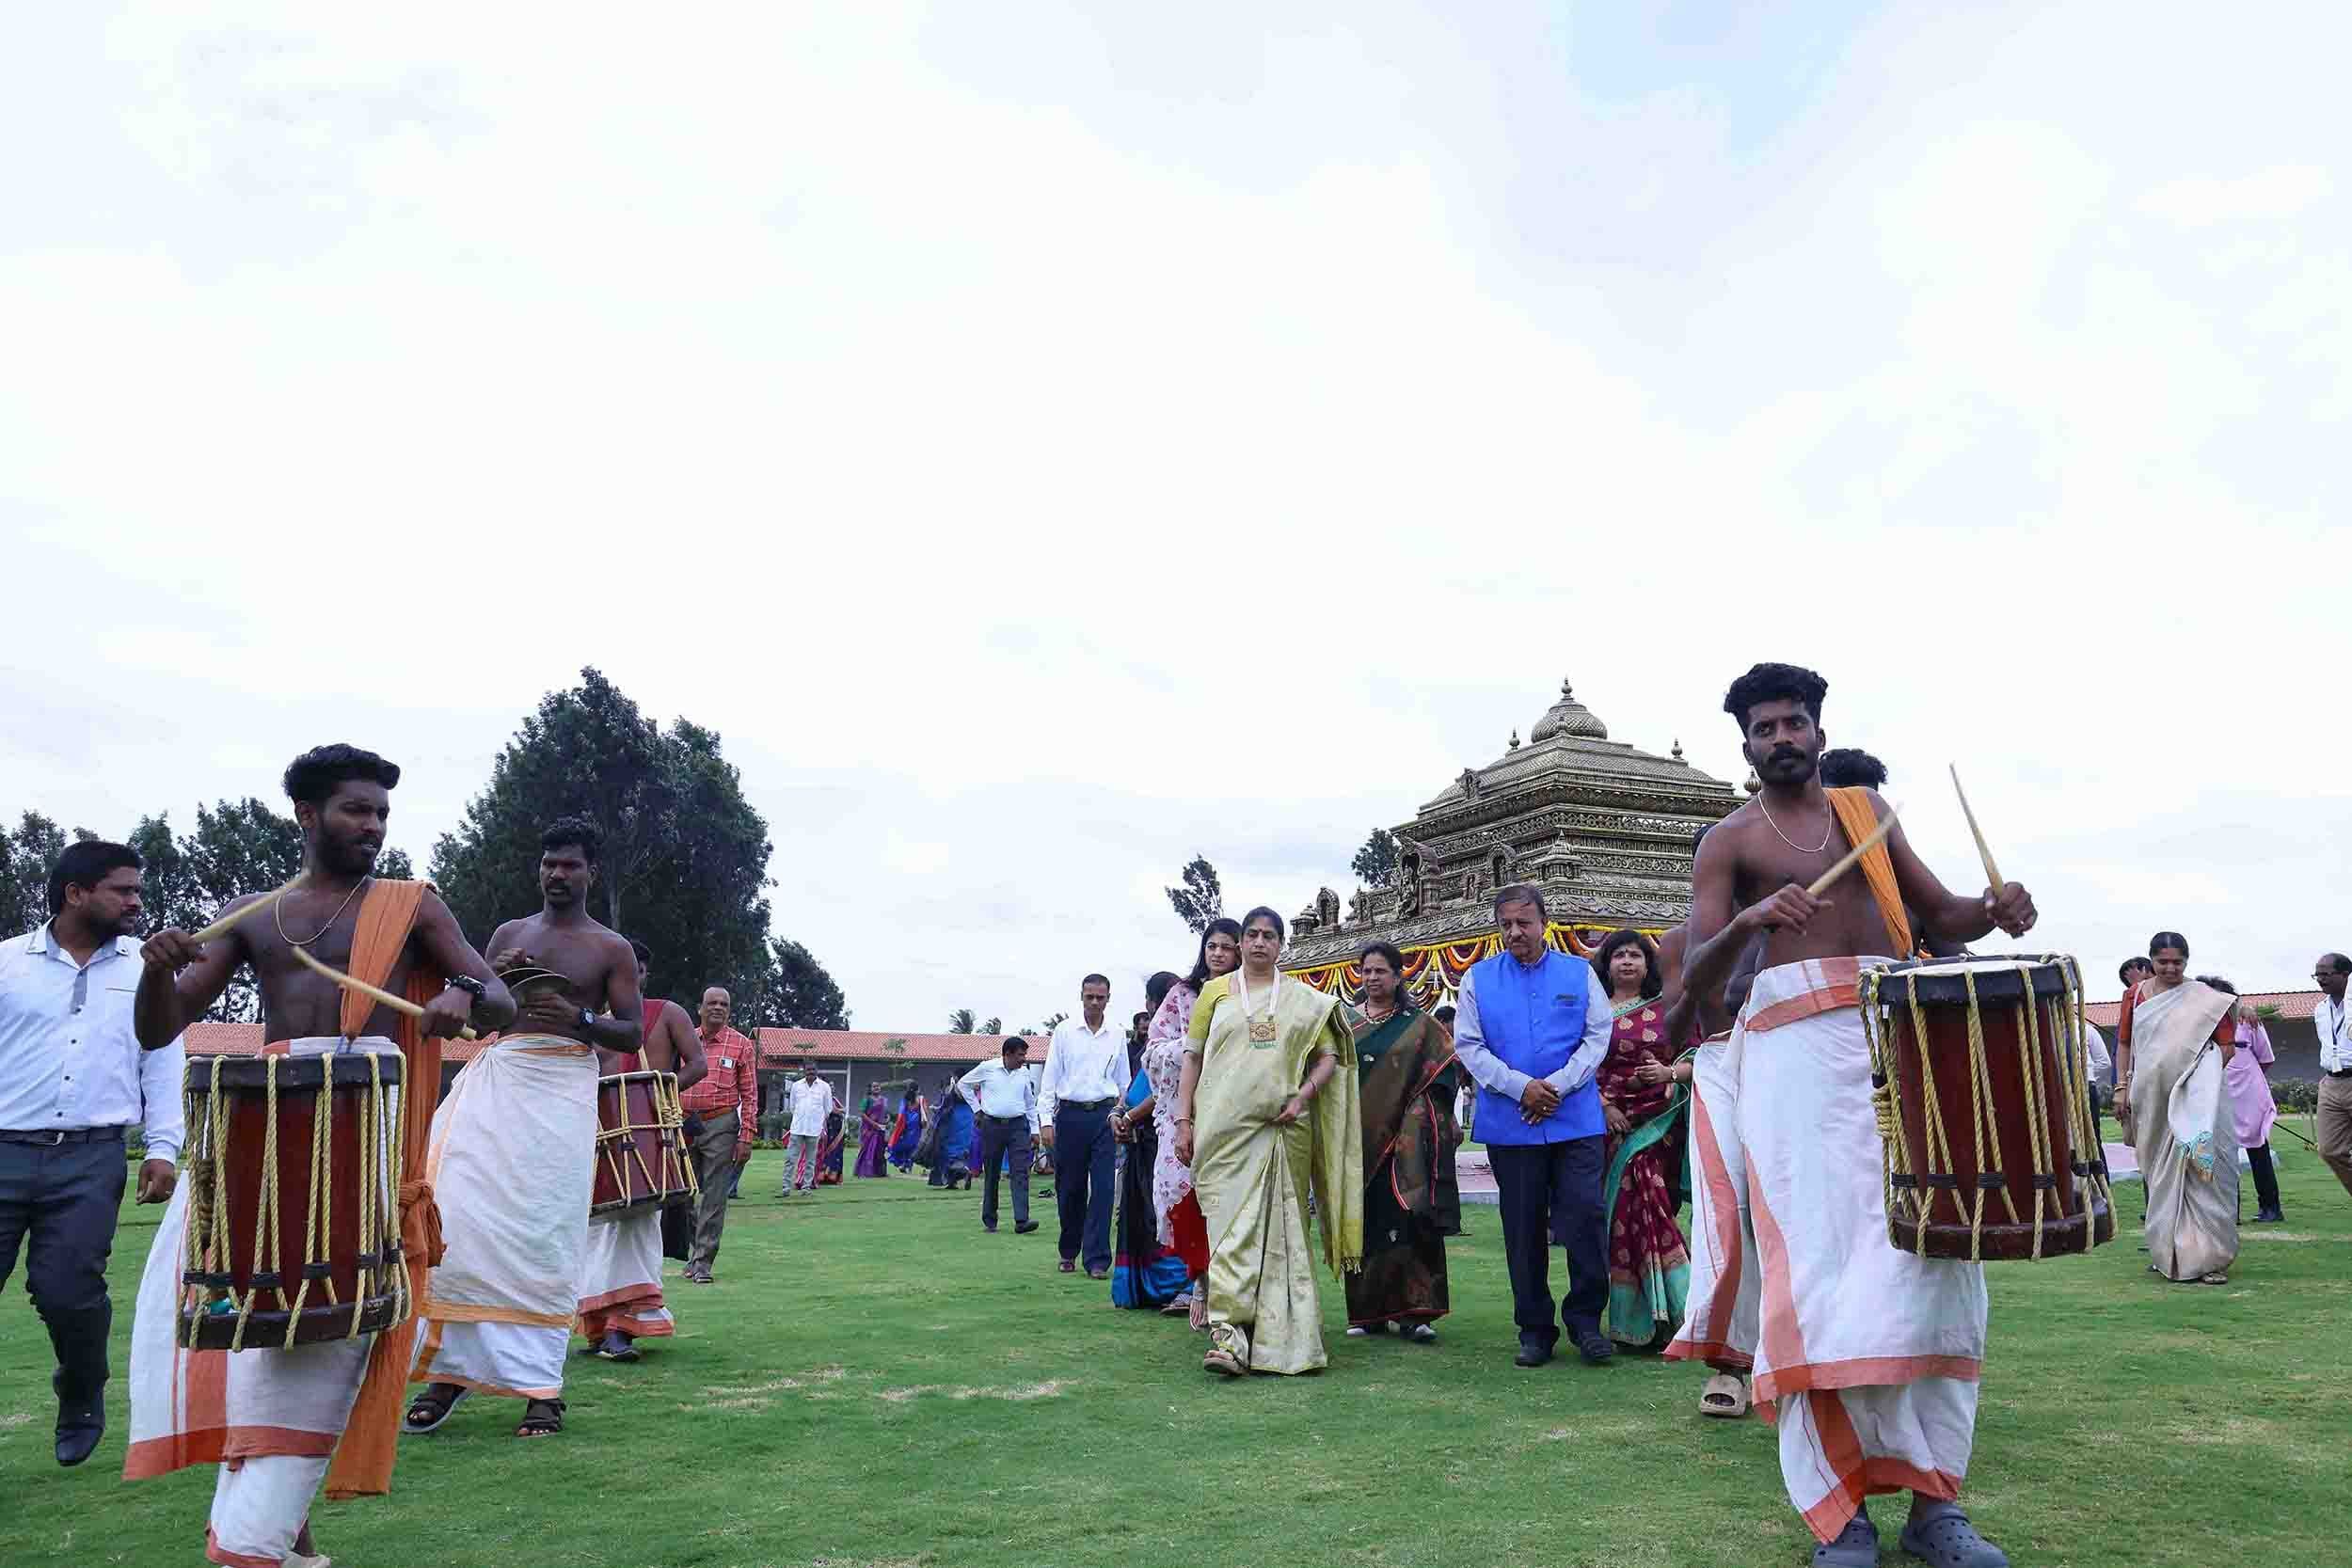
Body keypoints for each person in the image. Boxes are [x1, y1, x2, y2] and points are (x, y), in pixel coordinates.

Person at [1670, 663, 2036, 1568]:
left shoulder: (1867, 814)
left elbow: (1943, 913)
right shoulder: (1727, 842)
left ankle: (1936, 1504)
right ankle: (1841, 1518)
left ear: (1819, 734)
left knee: (1933, 1269)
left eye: (1794, 722)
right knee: (1819, 1287)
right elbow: (1694, 986)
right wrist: (1751, 920)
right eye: (1765, 727)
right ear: (1746, 746)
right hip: (1794, 1073)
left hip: (1897, 1046)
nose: (1782, 737)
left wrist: (1996, 909)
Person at [128, 743, 514, 1566]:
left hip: (365, 1146)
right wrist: (154, 972)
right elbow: (160, 1025)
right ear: (308, 815)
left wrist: (461, 992)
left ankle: (264, 1532)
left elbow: (501, 1000)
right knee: (262, 1326)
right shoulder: (252, 914)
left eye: (381, 812)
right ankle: (283, 1535)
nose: (373, 825)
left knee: (332, 1322)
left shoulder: (413, 906)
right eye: (356, 809)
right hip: (266, 1152)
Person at [405, 816, 641, 1442]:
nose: (557, 873)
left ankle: (541, 1390)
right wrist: (497, 980)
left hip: (563, 1086)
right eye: (549, 863)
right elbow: (481, 1015)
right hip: (501, 1073)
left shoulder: (611, 948)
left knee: (545, 1234)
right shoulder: (510, 933)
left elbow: (631, 1032)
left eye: (570, 864)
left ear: (591, 872)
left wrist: (580, 1017)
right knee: (458, 1216)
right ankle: (449, 1374)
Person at [2, 841, 183, 1468]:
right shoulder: (8, 963)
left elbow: (163, 1059)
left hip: (90, 1157)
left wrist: (163, 1146)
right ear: (76, 893)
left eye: (138, 890)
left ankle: (81, 1391)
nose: (136, 901)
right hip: (4, 1149)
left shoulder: (148, 970)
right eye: (122, 890)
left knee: (67, 1290)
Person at [1172, 906, 1360, 1376]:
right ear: (1241, 943)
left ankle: (1277, 1337)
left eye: (1269, 936)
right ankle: (1229, 1334)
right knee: (1229, 1231)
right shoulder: (1215, 993)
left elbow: (1329, 1057)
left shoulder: (1304, 1000)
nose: (1259, 942)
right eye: (1252, 934)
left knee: (1282, 1230)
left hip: (1283, 1131)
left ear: (1281, 945)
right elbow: (1192, 1059)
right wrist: (1183, 1121)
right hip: (1222, 1131)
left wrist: (1302, 1097)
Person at [1450, 883, 1615, 1370]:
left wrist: (1556, 1087)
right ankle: (1535, 1330)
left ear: (1545, 922)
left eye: (1524, 922)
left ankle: (1587, 1323)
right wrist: (1521, 1086)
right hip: (1511, 1120)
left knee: (1585, 1218)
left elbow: (1597, 1036)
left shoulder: (1579, 972)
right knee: (1522, 1229)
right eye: (1506, 924)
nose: (1515, 932)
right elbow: (1469, 1046)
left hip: (1575, 1119)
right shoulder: (1477, 979)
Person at [577, 941, 707, 1363]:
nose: (632, 977)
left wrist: (658, 1095)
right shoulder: (589, 1022)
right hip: (595, 1135)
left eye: (639, 970)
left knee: (637, 1227)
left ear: (645, 975)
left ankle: (622, 1329)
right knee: (594, 1234)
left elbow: (698, 1064)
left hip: (648, 1139)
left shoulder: (668, 1014)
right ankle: (599, 1328)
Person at [1342, 941, 1458, 1343]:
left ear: (1397, 975)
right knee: (1364, 1223)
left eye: (1381, 971)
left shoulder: (1420, 1025)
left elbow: (1444, 1073)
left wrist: (1417, 1120)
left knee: (1410, 1218)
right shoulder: (1345, 1024)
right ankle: (1367, 1314)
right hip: (1357, 1141)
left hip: (1406, 1145)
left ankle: (1416, 1313)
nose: (1372, 978)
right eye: (1366, 971)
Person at [2113, 934, 2240, 1284]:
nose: (2170, 968)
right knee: (2159, 1176)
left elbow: (2226, 1048)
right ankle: (2167, 1252)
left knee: (2202, 1174)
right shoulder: (2135, 995)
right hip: (2151, 1099)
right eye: (2163, 962)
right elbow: (2125, 1043)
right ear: (2151, 960)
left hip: (2197, 1103)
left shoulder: (2206, 1000)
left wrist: (2193, 1085)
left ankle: (2208, 1260)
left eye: (2177, 962)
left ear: (2187, 961)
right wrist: (2122, 1088)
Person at [1589, 929, 1692, 1353]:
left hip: (1659, 1127)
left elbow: (1699, 1057)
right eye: (1619, 955)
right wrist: (1604, 1106)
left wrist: (1668, 1074)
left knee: (1653, 1207)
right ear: (1607, 964)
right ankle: (1635, 1321)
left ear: (1648, 965)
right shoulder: (1591, 1012)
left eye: (1635, 955)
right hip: (1609, 1129)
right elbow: (1577, 1065)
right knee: (1621, 1218)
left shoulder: (1668, 1010)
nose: (1628, 962)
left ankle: (1680, 1314)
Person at [1142, 920, 1240, 1327]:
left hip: (1234, 1116)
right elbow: (1153, 1052)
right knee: (1181, 1197)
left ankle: (1229, 1292)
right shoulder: (1182, 996)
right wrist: (1195, 1046)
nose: (1217, 953)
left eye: (1226, 947)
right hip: (1184, 1115)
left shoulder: (1247, 995)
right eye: (1211, 946)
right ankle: (1199, 1282)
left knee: (1230, 1204)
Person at [1111, 974, 1191, 1310]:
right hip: (1139, 1143)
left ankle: (1183, 1288)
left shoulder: (1183, 1038)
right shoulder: (1152, 1045)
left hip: (1166, 1139)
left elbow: (1164, 1093)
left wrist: (1129, 1117)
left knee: (1168, 1212)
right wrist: (1117, 1113)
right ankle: (1149, 1290)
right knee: (1143, 1216)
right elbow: (1134, 1088)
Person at [1041, 974, 1127, 1279]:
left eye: (1100, 997)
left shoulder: (1117, 1033)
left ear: (1108, 999)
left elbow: (1124, 1081)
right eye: (1089, 996)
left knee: (1104, 1189)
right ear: (1081, 996)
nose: (1094, 1002)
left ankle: (1098, 1260)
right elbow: (1050, 1077)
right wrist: (1045, 1121)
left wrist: (1123, 1115)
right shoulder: (1064, 1031)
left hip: (1105, 1116)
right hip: (1070, 1116)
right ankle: (1068, 1251)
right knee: (1070, 1188)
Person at [675, 986, 756, 1282]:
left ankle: (702, 1263)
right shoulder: (683, 1040)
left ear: (729, 1011)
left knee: (714, 1194)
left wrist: (747, 1136)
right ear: (700, 1008)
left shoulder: (741, 1045)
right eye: (712, 1003)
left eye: (724, 1004)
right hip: (683, 1123)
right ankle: (695, 1251)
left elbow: (750, 1094)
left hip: (721, 1124)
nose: (718, 1007)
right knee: (681, 1194)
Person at [2208, 980, 2283, 1224]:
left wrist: (2248, 1076)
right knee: (2221, 1153)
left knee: (2258, 1149)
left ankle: (2270, 1208)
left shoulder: (2248, 1022)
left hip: (2249, 1093)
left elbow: (2265, 1058)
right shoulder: (2200, 1023)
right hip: (2215, 1093)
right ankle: (2230, 1211)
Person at [960, 1037, 1041, 1233]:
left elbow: (1029, 1103)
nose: (1023, 1059)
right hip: (992, 1126)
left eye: (1024, 1055)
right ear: (1007, 1054)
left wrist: (1035, 1131)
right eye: (1020, 1055)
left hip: (1018, 1126)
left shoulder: (1024, 1073)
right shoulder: (987, 1068)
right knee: (992, 1173)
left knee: (1020, 1172)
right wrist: (977, 1110)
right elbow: (963, 1085)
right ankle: (990, 1220)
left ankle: (1022, 1220)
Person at [2316, 953, 2352, 1200]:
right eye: (2317, 974)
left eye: (2326, 974)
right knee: (2329, 1150)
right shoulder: (2320, 1009)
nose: (2320, 979)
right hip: (2330, 1082)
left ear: (2345, 975)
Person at [784, 1059, 836, 1194]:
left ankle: (806, 1187)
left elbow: (828, 1109)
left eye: (813, 1069)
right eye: (808, 1070)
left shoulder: (824, 1087)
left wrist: (818, 1122)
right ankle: (786, 1187)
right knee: (790, 1159)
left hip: (814, 1129)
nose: (811, 1072)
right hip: (797, 1128)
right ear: (804, 1071)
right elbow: (792, 1107)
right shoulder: (796, 1086)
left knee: (811, 1161)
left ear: (817, 1071)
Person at [924, 1081, 977, 1189]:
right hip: (968, 1118)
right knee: (961, 1151)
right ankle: (953, 1182)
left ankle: (964, 1171)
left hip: (955, 1118)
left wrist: (936, 1110)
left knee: (948, 1151)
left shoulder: (954, 1088)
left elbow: (945, 1105)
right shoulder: (970, 1087)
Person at [853, 1089, 890, 1177]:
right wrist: (873, 1123)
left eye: (878, 1086)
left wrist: (887, 1118)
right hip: (869, 1129)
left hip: (881, 1128)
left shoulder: (883, 1100)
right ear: (871, 1089)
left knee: (880, 1150)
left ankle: (880, 1172)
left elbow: (886, 1113)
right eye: (874, 1086)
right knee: (868, 1149)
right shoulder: (866, 1100)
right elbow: (862, 1113)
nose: (876, 1088)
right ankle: (866, 1171)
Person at [887, 1090, 926, 1172]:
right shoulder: (919, 1099)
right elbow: (923, 1111)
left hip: (908, 1124)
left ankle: (905, 1165)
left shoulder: (907, 1099)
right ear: (917, 1090)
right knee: (911, 1146)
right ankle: (907, 1165)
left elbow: (902, 1112)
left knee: (907, 1145)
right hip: (913, 1124)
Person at [817, 1103, 847, 1183]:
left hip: (836, 1128)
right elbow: (830, 1109)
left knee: (836, 1151)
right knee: (827, 1151)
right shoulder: (825, 1098)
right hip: (828, 1128)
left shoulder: (834, 1100)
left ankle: (832, 1175)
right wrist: (842, 1110)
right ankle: (824, 1175)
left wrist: (841, 1110)